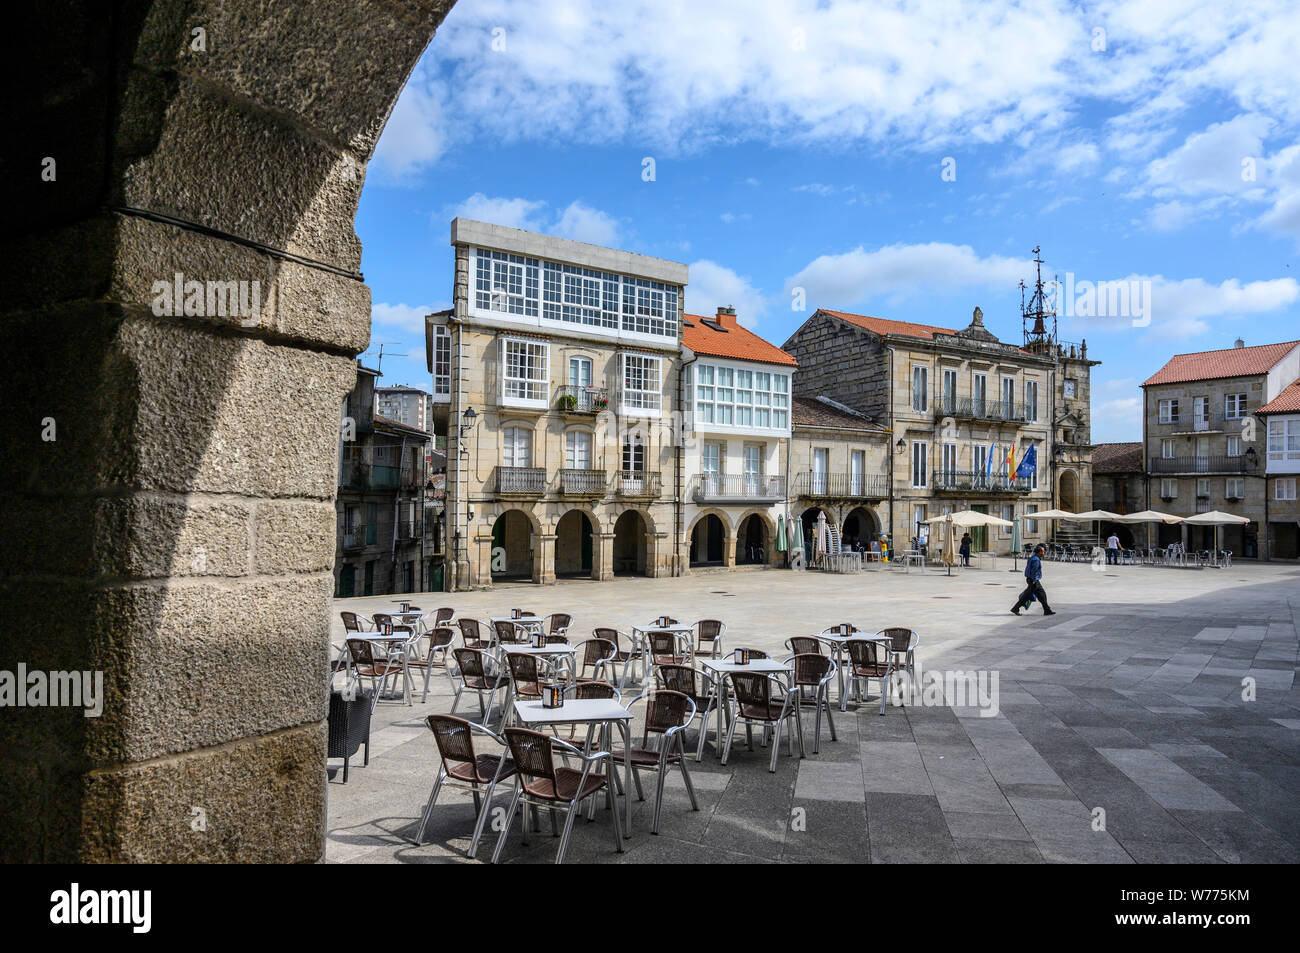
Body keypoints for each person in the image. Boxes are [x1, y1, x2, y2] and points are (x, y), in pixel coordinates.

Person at [1011, 543, 1055, 616]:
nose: (1044, 553)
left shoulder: (1032, 558)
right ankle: (1015, 608)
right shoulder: (1036, 560)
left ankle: (1047, 610)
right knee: (1031, 596)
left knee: (1040, 595)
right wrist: (1034, 580)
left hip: (1030, 579)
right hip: (1033, 580)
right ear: (1039, 552)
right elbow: (1034, 570)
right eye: (1043, 551)